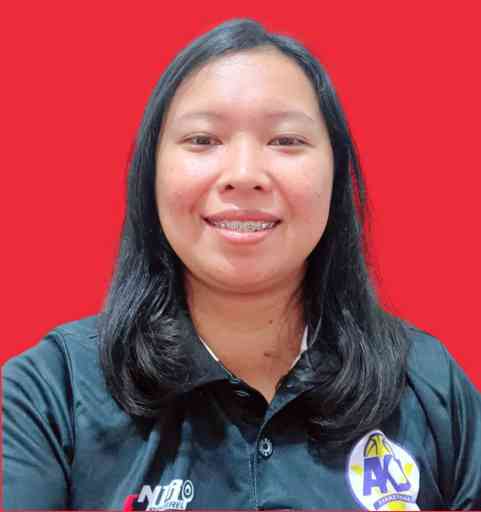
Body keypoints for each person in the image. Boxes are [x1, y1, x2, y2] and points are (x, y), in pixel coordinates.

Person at [2, 17, 481, 511]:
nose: (245, 174)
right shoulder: (49, 394)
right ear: (151, 175)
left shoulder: (430, 386)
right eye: (203, 140)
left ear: (335, 176)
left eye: (286, 140)